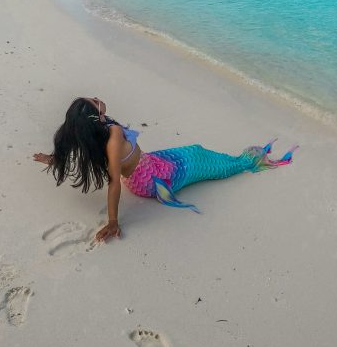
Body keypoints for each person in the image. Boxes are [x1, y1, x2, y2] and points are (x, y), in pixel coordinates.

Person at [33, 96, 296, 243]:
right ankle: (245, 161)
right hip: (152, 180)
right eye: (93, 101)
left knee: (195, 148)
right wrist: (113, 222)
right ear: (95, 116)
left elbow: (72, 142)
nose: (97, 98)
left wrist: (54, 159)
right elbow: (114, 182)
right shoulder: (112, 136)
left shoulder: (100, 130)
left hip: (150, 163)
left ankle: (237, 159)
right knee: (200, 161)